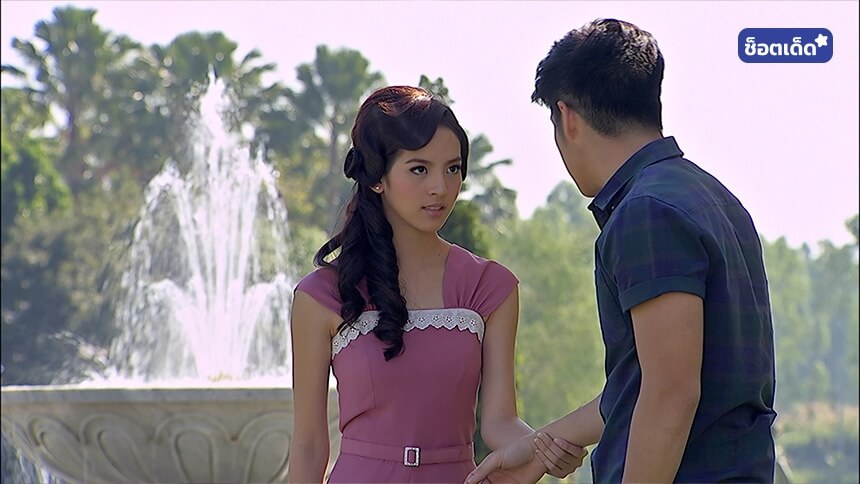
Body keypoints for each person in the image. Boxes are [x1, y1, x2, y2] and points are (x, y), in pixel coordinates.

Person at [467, 18, 777, 484]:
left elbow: (671, 394)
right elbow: (642, 384)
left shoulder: (646, 213)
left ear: (567, 118)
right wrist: (538, 450)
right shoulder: (710, 197)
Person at [287, 85, 585, 483]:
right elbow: (309, 445)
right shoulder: (321, 295)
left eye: (453, 169)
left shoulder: (489, 287)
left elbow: (499, 422)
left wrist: (544, 449)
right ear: (376, 177)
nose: (440, 188)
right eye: (419, 169)